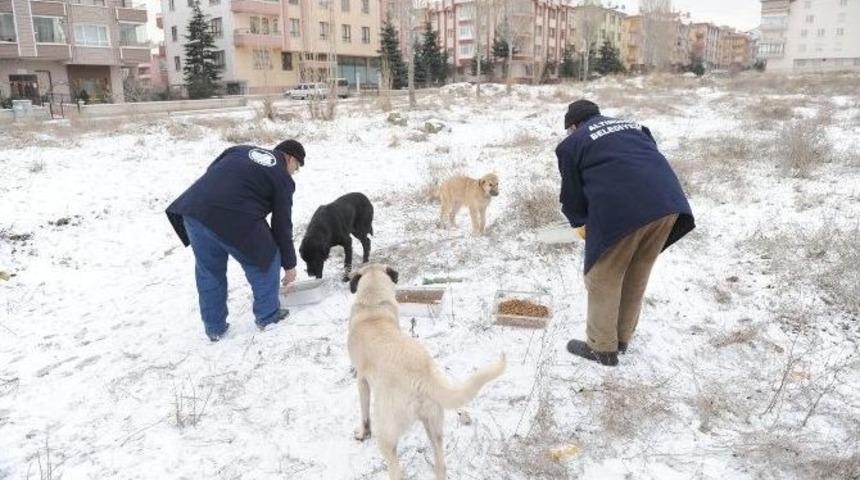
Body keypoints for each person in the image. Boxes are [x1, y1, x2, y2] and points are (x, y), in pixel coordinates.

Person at [556, 100, 695, 366]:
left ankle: (600, 348)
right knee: (636, 272)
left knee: (602, 276)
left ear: (573, 126)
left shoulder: (572, 144)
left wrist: (581, 222)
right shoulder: (635, 126)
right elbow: (638, 164)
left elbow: (572, 196)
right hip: (668, 205)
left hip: (624, 210)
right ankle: (620, 339)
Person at [166, 140, 305, 342]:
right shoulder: (282, 177)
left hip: (194, 210)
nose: (294, 172)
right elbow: (282, 225)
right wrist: (289, 264)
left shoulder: (240, 149)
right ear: (291, 158)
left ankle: (215, 328)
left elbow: (213, 172)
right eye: (297, 168)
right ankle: (268, 316)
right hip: (233, 217)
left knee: (209, 271)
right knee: (266, 259)